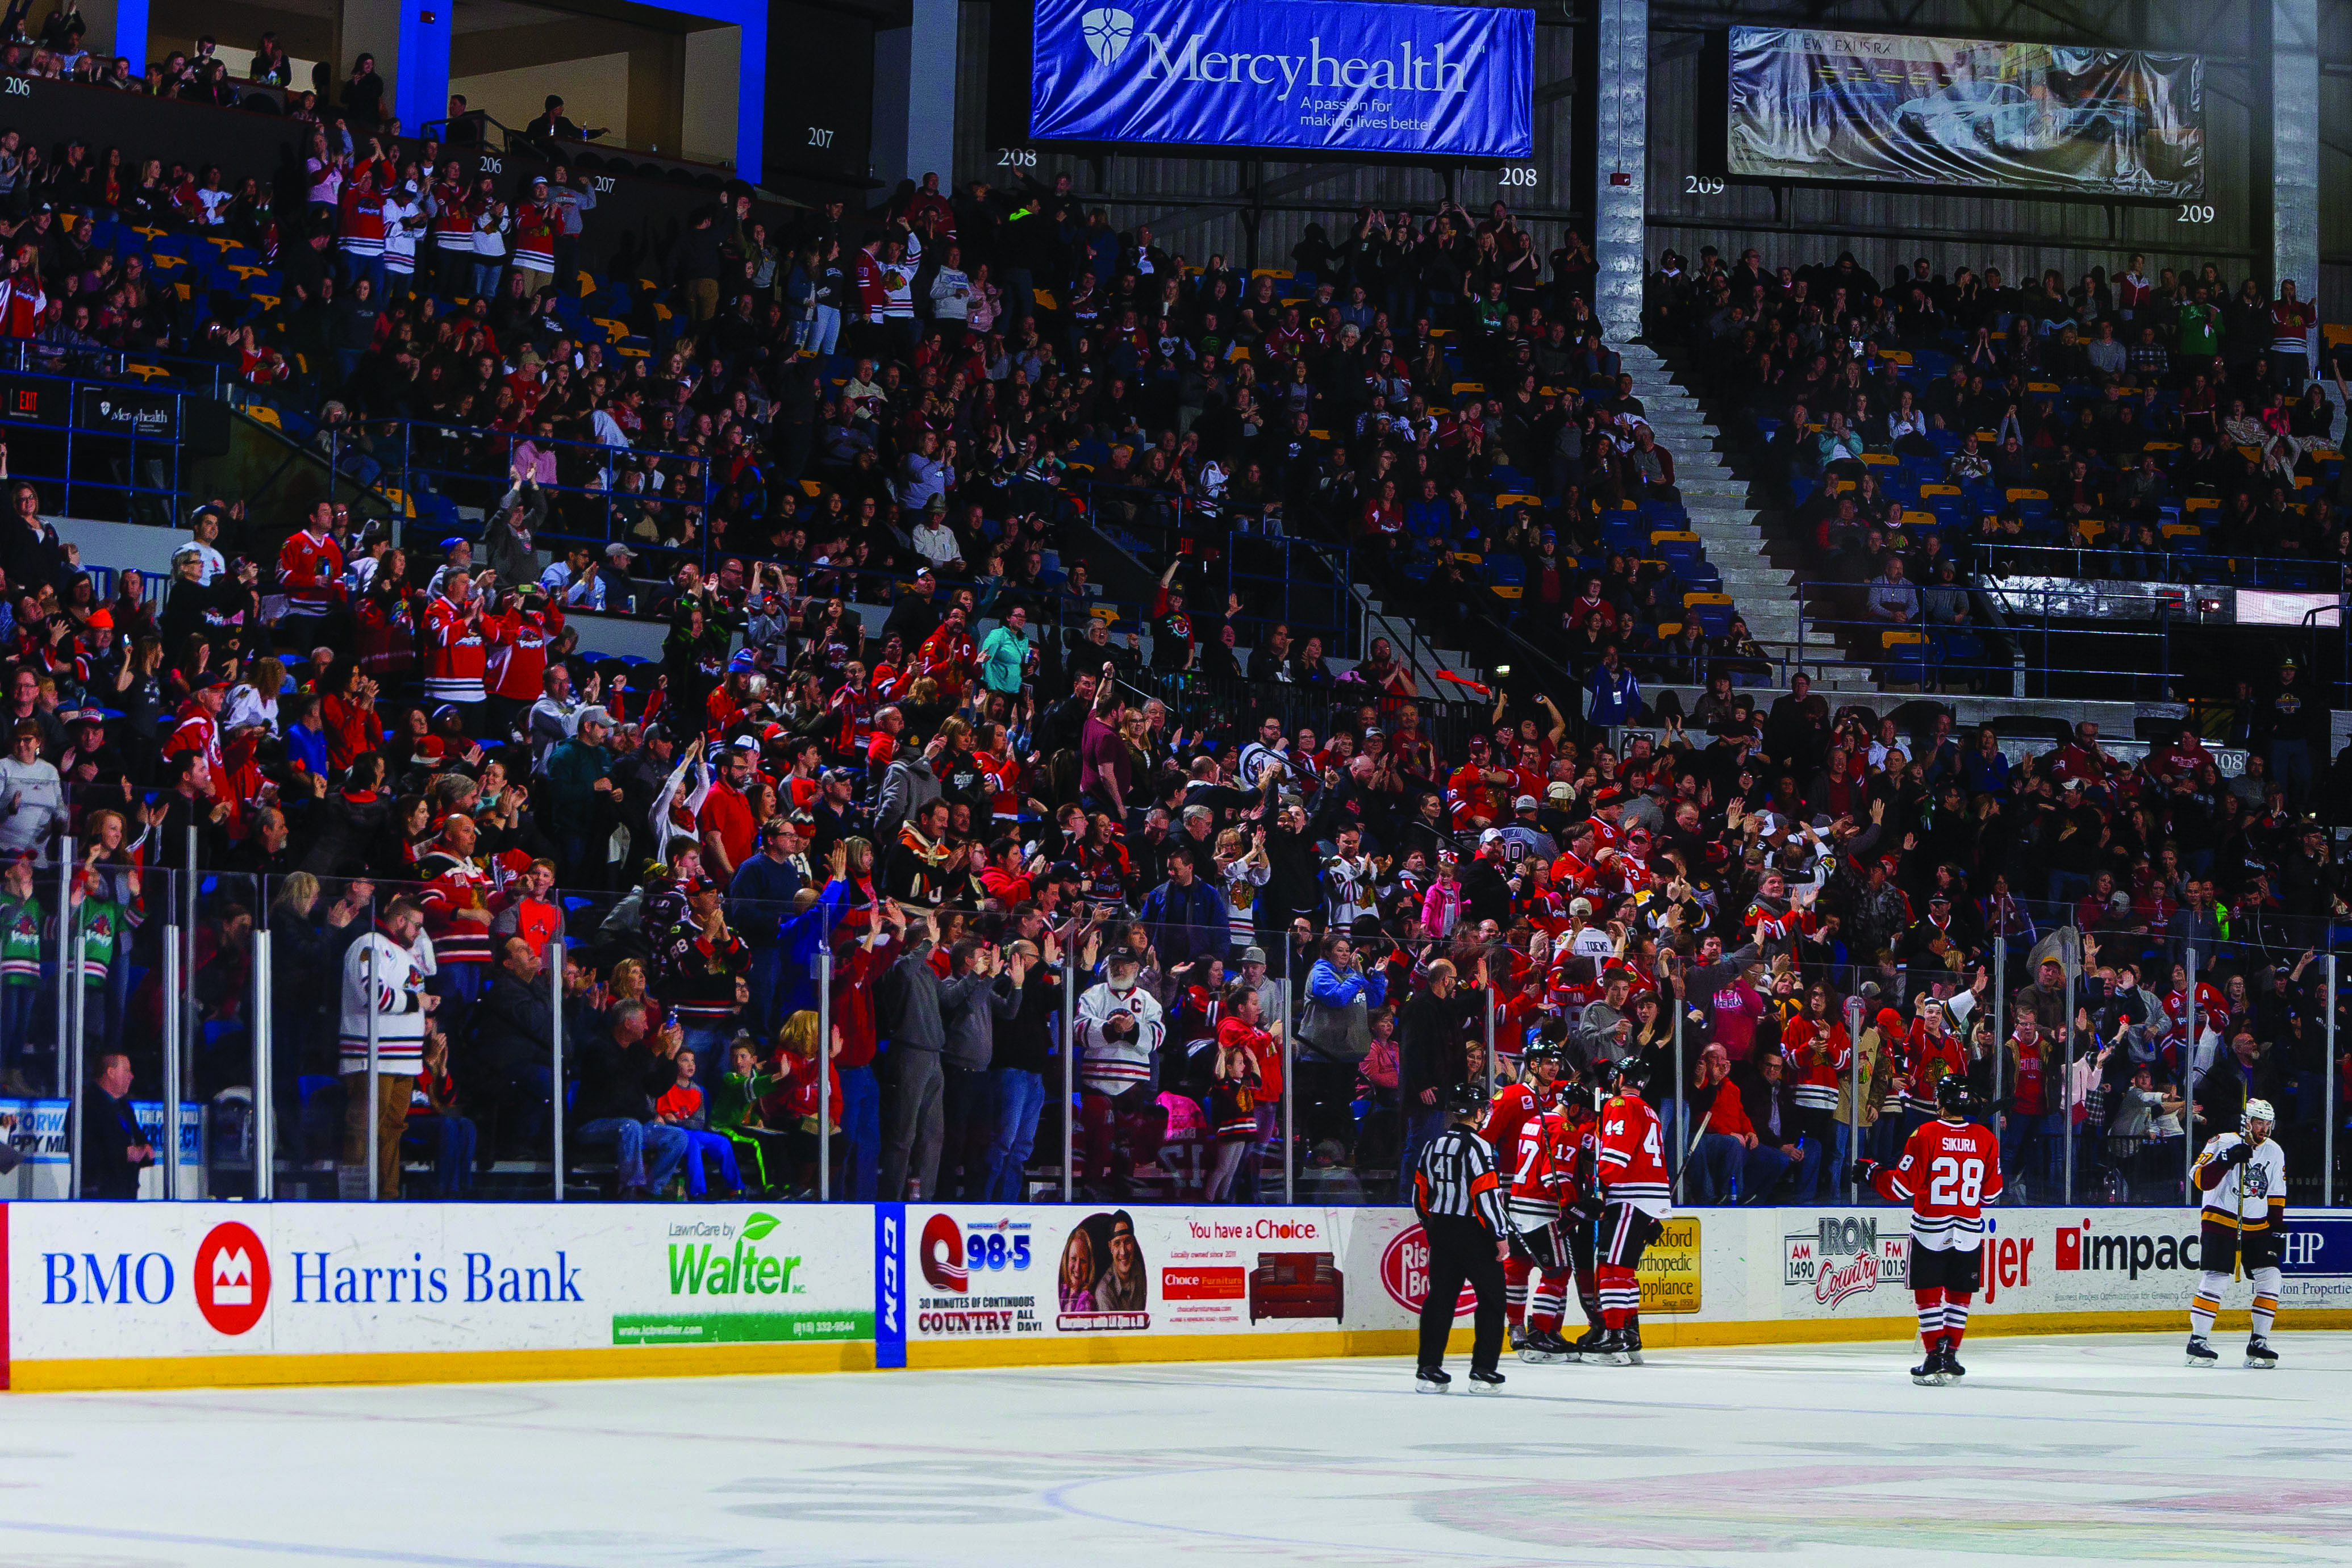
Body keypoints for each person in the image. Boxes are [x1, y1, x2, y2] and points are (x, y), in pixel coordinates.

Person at [1855, 1073, 2005, 1385]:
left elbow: (1899, 1188)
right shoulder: (1986, 1139)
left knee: (1928, 1295)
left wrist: (1871, 1172)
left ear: (1939, 1101)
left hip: (1930, 1228)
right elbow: (1990, 1195)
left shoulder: (1924, 1134)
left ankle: (1934, 1355)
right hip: (1968, 1231)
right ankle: (1950, 1356)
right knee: (1959, 1295)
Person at [1409, 1082, 1513, 1392]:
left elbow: (1419, 1192)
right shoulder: (1479, 1147)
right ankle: (1483, 1370)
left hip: (1441, 1228)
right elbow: (1486, 1195)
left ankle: (1428, 1368)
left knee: (1440, 1299)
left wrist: (1431, 1224)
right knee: (1493, 1300)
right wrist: (1499, 1235)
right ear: (1479, 1112)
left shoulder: (1433, 1144)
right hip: (1474, 1232)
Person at [338, 894, 437, 1199]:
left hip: (404, 1061)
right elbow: (374, 995)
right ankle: (354, 1199)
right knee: (363, 1129)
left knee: (392, 1131)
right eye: (416, 926)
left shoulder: (407, 956)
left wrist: (422, 1014)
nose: (420, 933)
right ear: (400, 920)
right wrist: (416, 1002)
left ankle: (388, 1196)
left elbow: (416, 987)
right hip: (373, 1058)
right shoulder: (369, 944)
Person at [2183, 1096, 2287, 1369]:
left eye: (2267, 1123)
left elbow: (2276, 1194)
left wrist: (2277, 1230)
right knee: (2216, 1278)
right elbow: (2200, 1180)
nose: (2263, 1128)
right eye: (2258, 1122)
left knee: (2271, 1277)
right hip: (2220, 1219)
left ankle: (2259, 1341)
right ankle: (2198, 1340)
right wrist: (2226, 1161)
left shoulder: (2275, 1151)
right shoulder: (2223, 1142)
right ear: (2247, 1122)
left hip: (2257, 1226)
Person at [1590, 1055, 1668, 1365]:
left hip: (1629, 1196)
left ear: (1622, 1080)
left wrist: (1601, 1186)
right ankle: (1631, 1335)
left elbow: (1616, 1153)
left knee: (1612, 1269)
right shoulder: (1650, 1110)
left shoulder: (1621, 1106)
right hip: (1648, 1198)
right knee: (1626, 1270)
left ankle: (1614, 1336)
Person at [81, 1050, 155, 1198]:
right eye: (127, 1071)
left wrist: (145, 1150)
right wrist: (124, 1155)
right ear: (111, 1073)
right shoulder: (86, 1105)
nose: (131, 1076)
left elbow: (138, 1138)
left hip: (126, 1192)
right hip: (99, 1195)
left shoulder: (124, 1106)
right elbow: (87, 1153)